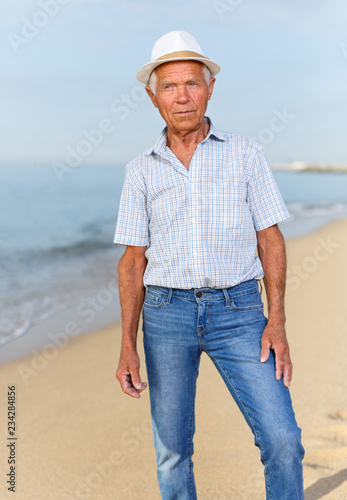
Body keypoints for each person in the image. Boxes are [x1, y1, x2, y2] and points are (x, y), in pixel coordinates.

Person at [114, 30, 305, 500]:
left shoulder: (245, 153)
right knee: (172, 450)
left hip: (239, 311)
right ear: (152, 96)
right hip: (165, 317)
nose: (182, 97)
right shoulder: (140, 169)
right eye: (169, 87)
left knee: (283, 440)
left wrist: (276, 320)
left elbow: (270, 238)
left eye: (191, 84)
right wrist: (126, 344)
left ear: (210, 87)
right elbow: (132, 260)